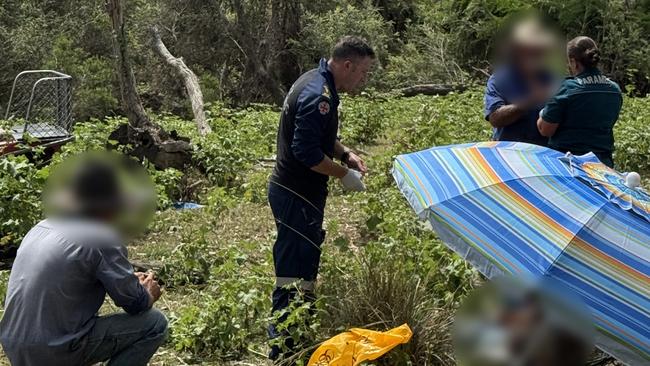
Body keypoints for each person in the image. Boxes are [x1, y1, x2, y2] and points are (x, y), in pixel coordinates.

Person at [0, 156, 167, 366]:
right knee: (155, 323)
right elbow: (136, 303)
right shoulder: (101, 236)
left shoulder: (41, 227)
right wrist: (147, 293)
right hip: (53, 349)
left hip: (14, 344)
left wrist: (128, 280)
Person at [267, 36, 375, 360]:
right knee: (293, 275)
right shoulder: (319, 95)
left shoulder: (316, 81)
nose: (363, 79)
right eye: (363, 72)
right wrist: (344, 175)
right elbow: (306, 152)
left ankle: (297, 337)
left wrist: (345, 154)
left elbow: (320, 134)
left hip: (300, 195)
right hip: (296, 195)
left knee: (304, 270)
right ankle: (283, 349)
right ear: (347, 65)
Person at [537, 36, 623, 168]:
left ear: (573, 62)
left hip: (569, 165)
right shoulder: (614, 89)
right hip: (602, 164)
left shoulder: (568, 88)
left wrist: (542, 113)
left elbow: (545, 129)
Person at [484, 19, 558, 146]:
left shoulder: (551, 78)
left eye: (539, 50)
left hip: (545, 152)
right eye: (531, 50)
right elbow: (495, 118)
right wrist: (529, 102)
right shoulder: (500, 79)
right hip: (509, 152)